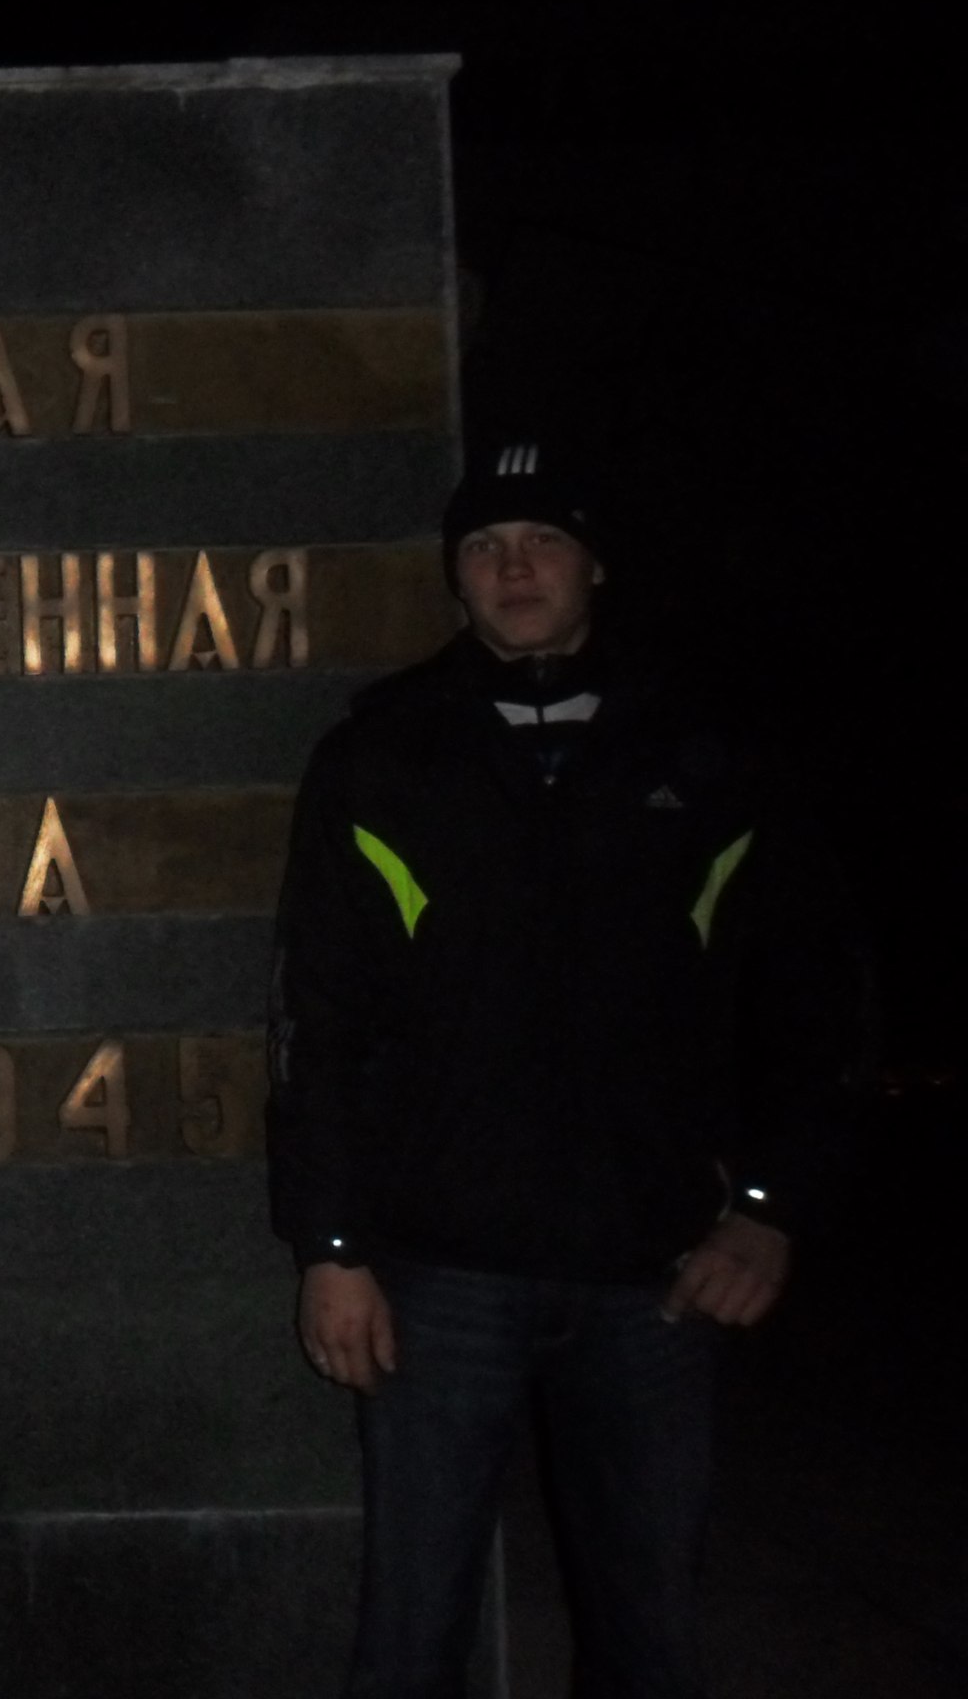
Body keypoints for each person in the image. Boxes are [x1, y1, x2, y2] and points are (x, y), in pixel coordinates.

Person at [266, 445, 859, 1698]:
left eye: (542, 540)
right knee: (409, 1634)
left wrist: (769, 1205)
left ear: (595, 564)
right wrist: (331, 1245)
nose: (514, 567)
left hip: (651, 1273)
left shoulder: (706, 751)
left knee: (647, 1637)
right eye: (485, 546)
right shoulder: (384, 755)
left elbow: (806, 1002)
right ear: (455, 576)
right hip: (441, 1271)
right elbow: (319, 1020)